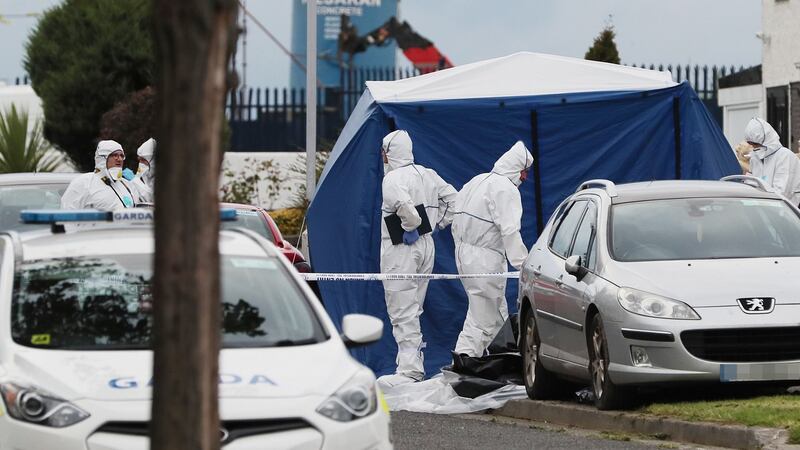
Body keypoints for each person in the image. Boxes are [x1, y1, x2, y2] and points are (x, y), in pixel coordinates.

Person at [378, 130, 457, 388]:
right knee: (414, 308)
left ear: (389, 152)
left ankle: (409, 370)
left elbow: (410, 215)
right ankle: (412, 364)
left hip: (401, 248)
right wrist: (437, 225)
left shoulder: (392, 179)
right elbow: (454, 200)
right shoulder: (429, 174)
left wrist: (412, 226)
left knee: (401, 309)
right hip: (427, 246)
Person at [452, 140, 532, 357]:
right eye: (524, 171)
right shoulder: (505, 189)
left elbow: (455, 217)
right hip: (485, 259)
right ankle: (465, 360)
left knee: (495, 313)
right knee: (484, 317)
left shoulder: (476, 181)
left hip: (464, 255)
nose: (524, 177)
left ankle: (500, 361)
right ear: (516, 167)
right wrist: (525, 265)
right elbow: (510, 231)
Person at [61, 140, 140, 210]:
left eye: (121, 156)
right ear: (102, 158)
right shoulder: (83, 183)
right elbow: (67, 213)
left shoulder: (127, 185)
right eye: (114, 155)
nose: (119, 159)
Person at [744, 117, 800, 206]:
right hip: (765, 208)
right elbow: (751, 185)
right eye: (751, 144)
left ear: (766, 141)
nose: (754, 147)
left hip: (788, 211)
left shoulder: (784, 156)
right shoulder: (755, 158)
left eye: (755, 144)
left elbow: (781, 192)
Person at [131, 138, 156, 203]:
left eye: (143, 160)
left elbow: (152, 198)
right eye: (139, 160)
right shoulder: (147, 176)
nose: (140, 163)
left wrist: (135, 181)